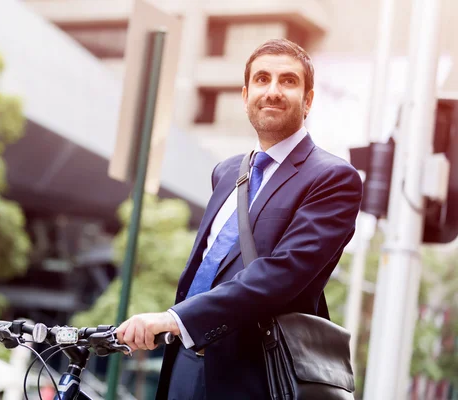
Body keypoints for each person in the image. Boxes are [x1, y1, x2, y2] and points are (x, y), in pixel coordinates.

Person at [116, 38, 363, 399]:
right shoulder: (227, 171)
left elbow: (282, 273)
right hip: (185, 362)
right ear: (246, 94)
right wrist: (175, 326)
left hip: (254, 377)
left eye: (288, 81)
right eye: (262, 80)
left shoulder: (333, 178)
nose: (273, 91)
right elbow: (207, 266)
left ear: (308, 100)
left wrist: (176, 318)